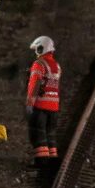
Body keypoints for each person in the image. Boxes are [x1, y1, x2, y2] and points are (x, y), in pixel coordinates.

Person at [26, 36, 61, 170]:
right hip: (54, 106)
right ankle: (52, 160)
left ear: (42, 48)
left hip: (40, 105)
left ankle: (41, 162)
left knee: (38, 133)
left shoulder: (39, 64)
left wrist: (30, 102)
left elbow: (35, 84)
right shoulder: (56, 66)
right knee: (50, 133)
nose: (36, 53)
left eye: (37, 49)